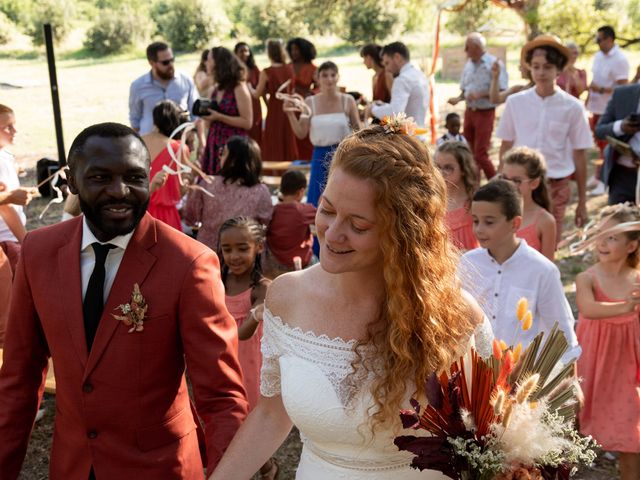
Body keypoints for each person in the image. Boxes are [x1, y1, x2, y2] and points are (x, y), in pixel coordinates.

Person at [209, 121, 492, 480]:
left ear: (404, 235)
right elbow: (271, 413)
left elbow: (488, 435)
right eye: (327, 210)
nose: (332, 233)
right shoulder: (287, 297)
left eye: (358, 225)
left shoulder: (456, 316)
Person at [0, 122, 248, 479]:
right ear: (70, 181)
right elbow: (18, 379)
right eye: (100, 178)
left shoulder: (188, 263)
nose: (120, 192)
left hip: (161, 468)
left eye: (134, 177)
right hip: (73, 465)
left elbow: (222, 396)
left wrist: (231, 472)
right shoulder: (38, 253)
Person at [459, 180, 580, 362]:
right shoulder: (467, 263)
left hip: (520, 374)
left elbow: (562, 332)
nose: (479, 229)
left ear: (515, 223)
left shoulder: (542, 270)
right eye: (475, 221)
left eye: (489, 222)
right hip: (474, 371)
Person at [496, 35, 593, 243]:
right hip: (518, 186)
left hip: (556, 186)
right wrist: (500, 182)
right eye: (536, 66)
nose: (541, 72)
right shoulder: (515, 103)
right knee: (515, 242)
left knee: (550, 244)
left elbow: (580, 154)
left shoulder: (573, 107)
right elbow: (505, 145)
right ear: (529, 68)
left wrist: (582, 202)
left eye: (547, 67)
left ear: (558, 70)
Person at [575, 204, 640, 480]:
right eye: (600, 234)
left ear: (631, 246)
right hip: (594, 361)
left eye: (612, 237)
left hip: (627, 364)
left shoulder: (636, 280)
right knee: (577, 421)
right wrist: (627, 307)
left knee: (631, 432)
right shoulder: (587, 278)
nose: (601, 242)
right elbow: (588, 309)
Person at [219, 216, 278, 480]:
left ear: (259, 247)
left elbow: (242, 334)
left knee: (248, 421)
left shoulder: (262, 289)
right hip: (220, 362)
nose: (234, 256)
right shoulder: (216, 281)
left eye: (242, 248)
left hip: (248, 365)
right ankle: (266, 467)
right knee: (227, 418)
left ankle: (264, 466)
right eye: (227, 249)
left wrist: (254, 316)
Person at [285, 61, 361, 207]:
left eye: (333, 75)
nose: (329, 79)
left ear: (338, 77)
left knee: (343, 200)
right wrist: (290, 115)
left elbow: (359, 130)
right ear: (317, 78)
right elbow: (301, 133)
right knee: (317, 200)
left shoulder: (348, 100)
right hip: (320, 156)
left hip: (343, 155)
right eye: (325, 75)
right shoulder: (310, 102)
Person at [184, 136, 272, 251]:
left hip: (208, 252)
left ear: (233, 160)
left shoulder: (208, 184)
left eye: (223, 153)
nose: (219, 157)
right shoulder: (261, 191)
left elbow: (190, 217)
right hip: (243, 255)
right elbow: (266, 225)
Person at [448, 32, 508, 180]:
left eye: (467, 47)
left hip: (485, 112)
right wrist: (458, 98)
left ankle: (496, 183)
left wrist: (482, 94)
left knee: (481, 153)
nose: (465, 51)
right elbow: (465, 89)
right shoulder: (469, 64)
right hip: (470, 111)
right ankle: (473, 184)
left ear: (476, 47)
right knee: (468, 150)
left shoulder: (493, 64)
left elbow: (502, 91)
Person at [586, 25, 630, 195]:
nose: (597, 43)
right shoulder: (598, 57)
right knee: (599, 144)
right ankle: (598, 175)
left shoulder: (620, 59)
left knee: (607, 145)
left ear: (610, 39)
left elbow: (624, 88)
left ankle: (604, 180)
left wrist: (602, 90)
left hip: (609, 110)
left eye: (600, 39)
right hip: (596, 107)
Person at [199, 46, 253, 175]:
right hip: (214, 142)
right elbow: (209, 123)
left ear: (218, 63)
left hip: (234, 146)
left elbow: (247, 122)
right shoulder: (214, 89)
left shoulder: (238, 87)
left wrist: (219, 117)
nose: (206, 63)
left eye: (209, 60)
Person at [129, 42, 198, 135]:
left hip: (180, 141)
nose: (171, 65)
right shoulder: (138, 86)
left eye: (172, 60)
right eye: (165, 62)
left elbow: (195, 114)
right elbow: (135, 120)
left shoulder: (186, 81)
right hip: (151, 144)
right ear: (152, 63)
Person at [501, 147, 557, 261]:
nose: (509, 185)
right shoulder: (494, 212)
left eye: (517, 181)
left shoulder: (545, 221)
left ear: (534, 183)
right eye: (505, 179)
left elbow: (548, 269)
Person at [142, 100, 188, 231]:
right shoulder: (179, 149)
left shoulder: (136, 141)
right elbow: (180, 192)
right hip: (166, 217)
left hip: (139, 210)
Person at [251, 39, 298, 163]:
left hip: (275, 112)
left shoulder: (267, 72)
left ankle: (273, 172)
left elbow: (257, 94)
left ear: (269, 53)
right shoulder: (290, 69)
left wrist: (248, 87)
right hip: (288, 110)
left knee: (274, 141)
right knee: (287, 140)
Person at [594, 82, 640, 205]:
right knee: (617, 220)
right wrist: (621, 126)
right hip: (623, 176)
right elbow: (599, 130)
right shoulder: (622, 94)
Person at [0, 104, 34, 273]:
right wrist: (26, 242)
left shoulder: (4, 156)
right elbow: (5, 206)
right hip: (6, 240)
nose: (15, 130)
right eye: (8, 127)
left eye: (14, 124)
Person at [265, 170, 316, 277]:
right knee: (318, 264)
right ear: (300, 192)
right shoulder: (303, 210)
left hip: (274, 264)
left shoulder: (273, 210)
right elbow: (323, 217)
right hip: (298, 264)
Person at [367, 42, 429, 128]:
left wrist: (372, 109)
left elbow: (395, 115)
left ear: (397, 57)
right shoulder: (419, 75)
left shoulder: (402, 80)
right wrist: (383, 106)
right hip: (419, 132)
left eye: (387, 63)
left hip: (408, 136)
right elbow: (406, 107)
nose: (387, 69)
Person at [434, 141, 478, 251]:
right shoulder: (432, 202)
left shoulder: (476, 202)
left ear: (463, 169)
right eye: (438, 167)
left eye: (448, 168)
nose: (442, 173)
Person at [287, 37, 318, 161]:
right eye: (292, 49)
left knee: (304, 140)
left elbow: (319, 87)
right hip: (289, 107)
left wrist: (310, 94)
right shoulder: (288, 67)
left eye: (297, 49)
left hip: (305, 107)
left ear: (303, 50)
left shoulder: (312, 68)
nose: (294, 52)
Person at [235, 42, 263, 147]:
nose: (244, 54)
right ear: (236, 53)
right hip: (240, 105)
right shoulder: (233, 69)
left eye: (246, 51)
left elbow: (262, 89)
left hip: (255, 105)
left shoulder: (254, 69)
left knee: (255, 134)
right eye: (241, 51)